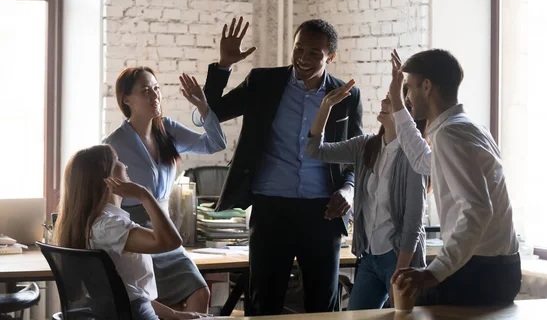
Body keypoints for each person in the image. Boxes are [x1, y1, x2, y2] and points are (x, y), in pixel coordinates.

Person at [186, 17, 362, 315]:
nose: (303, 58)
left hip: (323, 211)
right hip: (270, 208)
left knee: (323, 306)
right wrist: (224, 66)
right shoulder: (263, 82)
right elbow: (212, 113)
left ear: (330, 57)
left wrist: (348, 189)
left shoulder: (346, 96)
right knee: (263, 303)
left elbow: (357, 155)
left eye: (314, 54)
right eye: (299, 49)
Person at [388, 48, 521, 306]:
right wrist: (396, 100)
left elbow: (479, 210)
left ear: (427, 86)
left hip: (480, 273)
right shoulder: (468, 128)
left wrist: (432, 273)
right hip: (497, 269)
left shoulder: (451, 134)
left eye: (409, 87)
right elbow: (422, 160)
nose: (408, 96)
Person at [104, 67, 227, 314]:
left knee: (199, 290)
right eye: (146, 90)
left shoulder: (167, 129)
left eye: (156, 89)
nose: (154, 96)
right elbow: (105, 196)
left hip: (165, 227)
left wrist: (203, 107)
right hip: (136, 232)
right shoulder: (113, 144)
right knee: (162, 306)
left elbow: (216, 143)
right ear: (127, 99)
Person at [305, 81, 427, 310]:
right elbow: (314, 150)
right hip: (369, 256)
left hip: (399, 258)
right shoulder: (365, 146)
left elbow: (414, 223)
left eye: (391, 100)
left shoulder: (414, 157)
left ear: (406, 113)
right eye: (386, 97)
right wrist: (325, 107)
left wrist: (400, 273)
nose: (383, 102)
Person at [53, 145, 205, 319]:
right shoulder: (109, 227)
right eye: (117, 161)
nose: (125, 166)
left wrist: (174, 314)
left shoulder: (94, 224)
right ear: (106, 178)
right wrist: (143, 194)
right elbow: (170, 242)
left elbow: (130, 293)